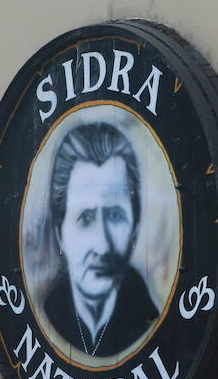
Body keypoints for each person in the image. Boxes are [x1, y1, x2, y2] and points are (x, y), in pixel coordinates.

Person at [42, 121, 160, 358]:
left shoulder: (153, 324)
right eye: (85, 218)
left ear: (135, 229)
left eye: (115, 215)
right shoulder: (49, 317)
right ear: (60, 233)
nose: (102, 245)